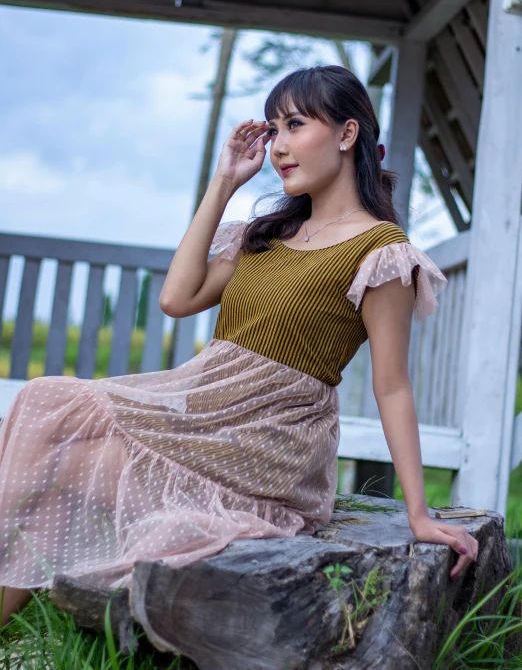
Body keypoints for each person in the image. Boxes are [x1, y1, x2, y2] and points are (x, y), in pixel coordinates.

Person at [0, 64, 478, 628]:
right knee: (47, 419)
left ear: (348, 136)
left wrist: (418, 514)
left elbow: (392, 384)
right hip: (206, 414)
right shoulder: (265, 236)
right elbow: (177, 298)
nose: (278, 145)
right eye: (274, 129)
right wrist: (224, 181)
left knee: (55, 451)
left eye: (296, 124)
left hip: (271, 439)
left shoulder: (381, 251)